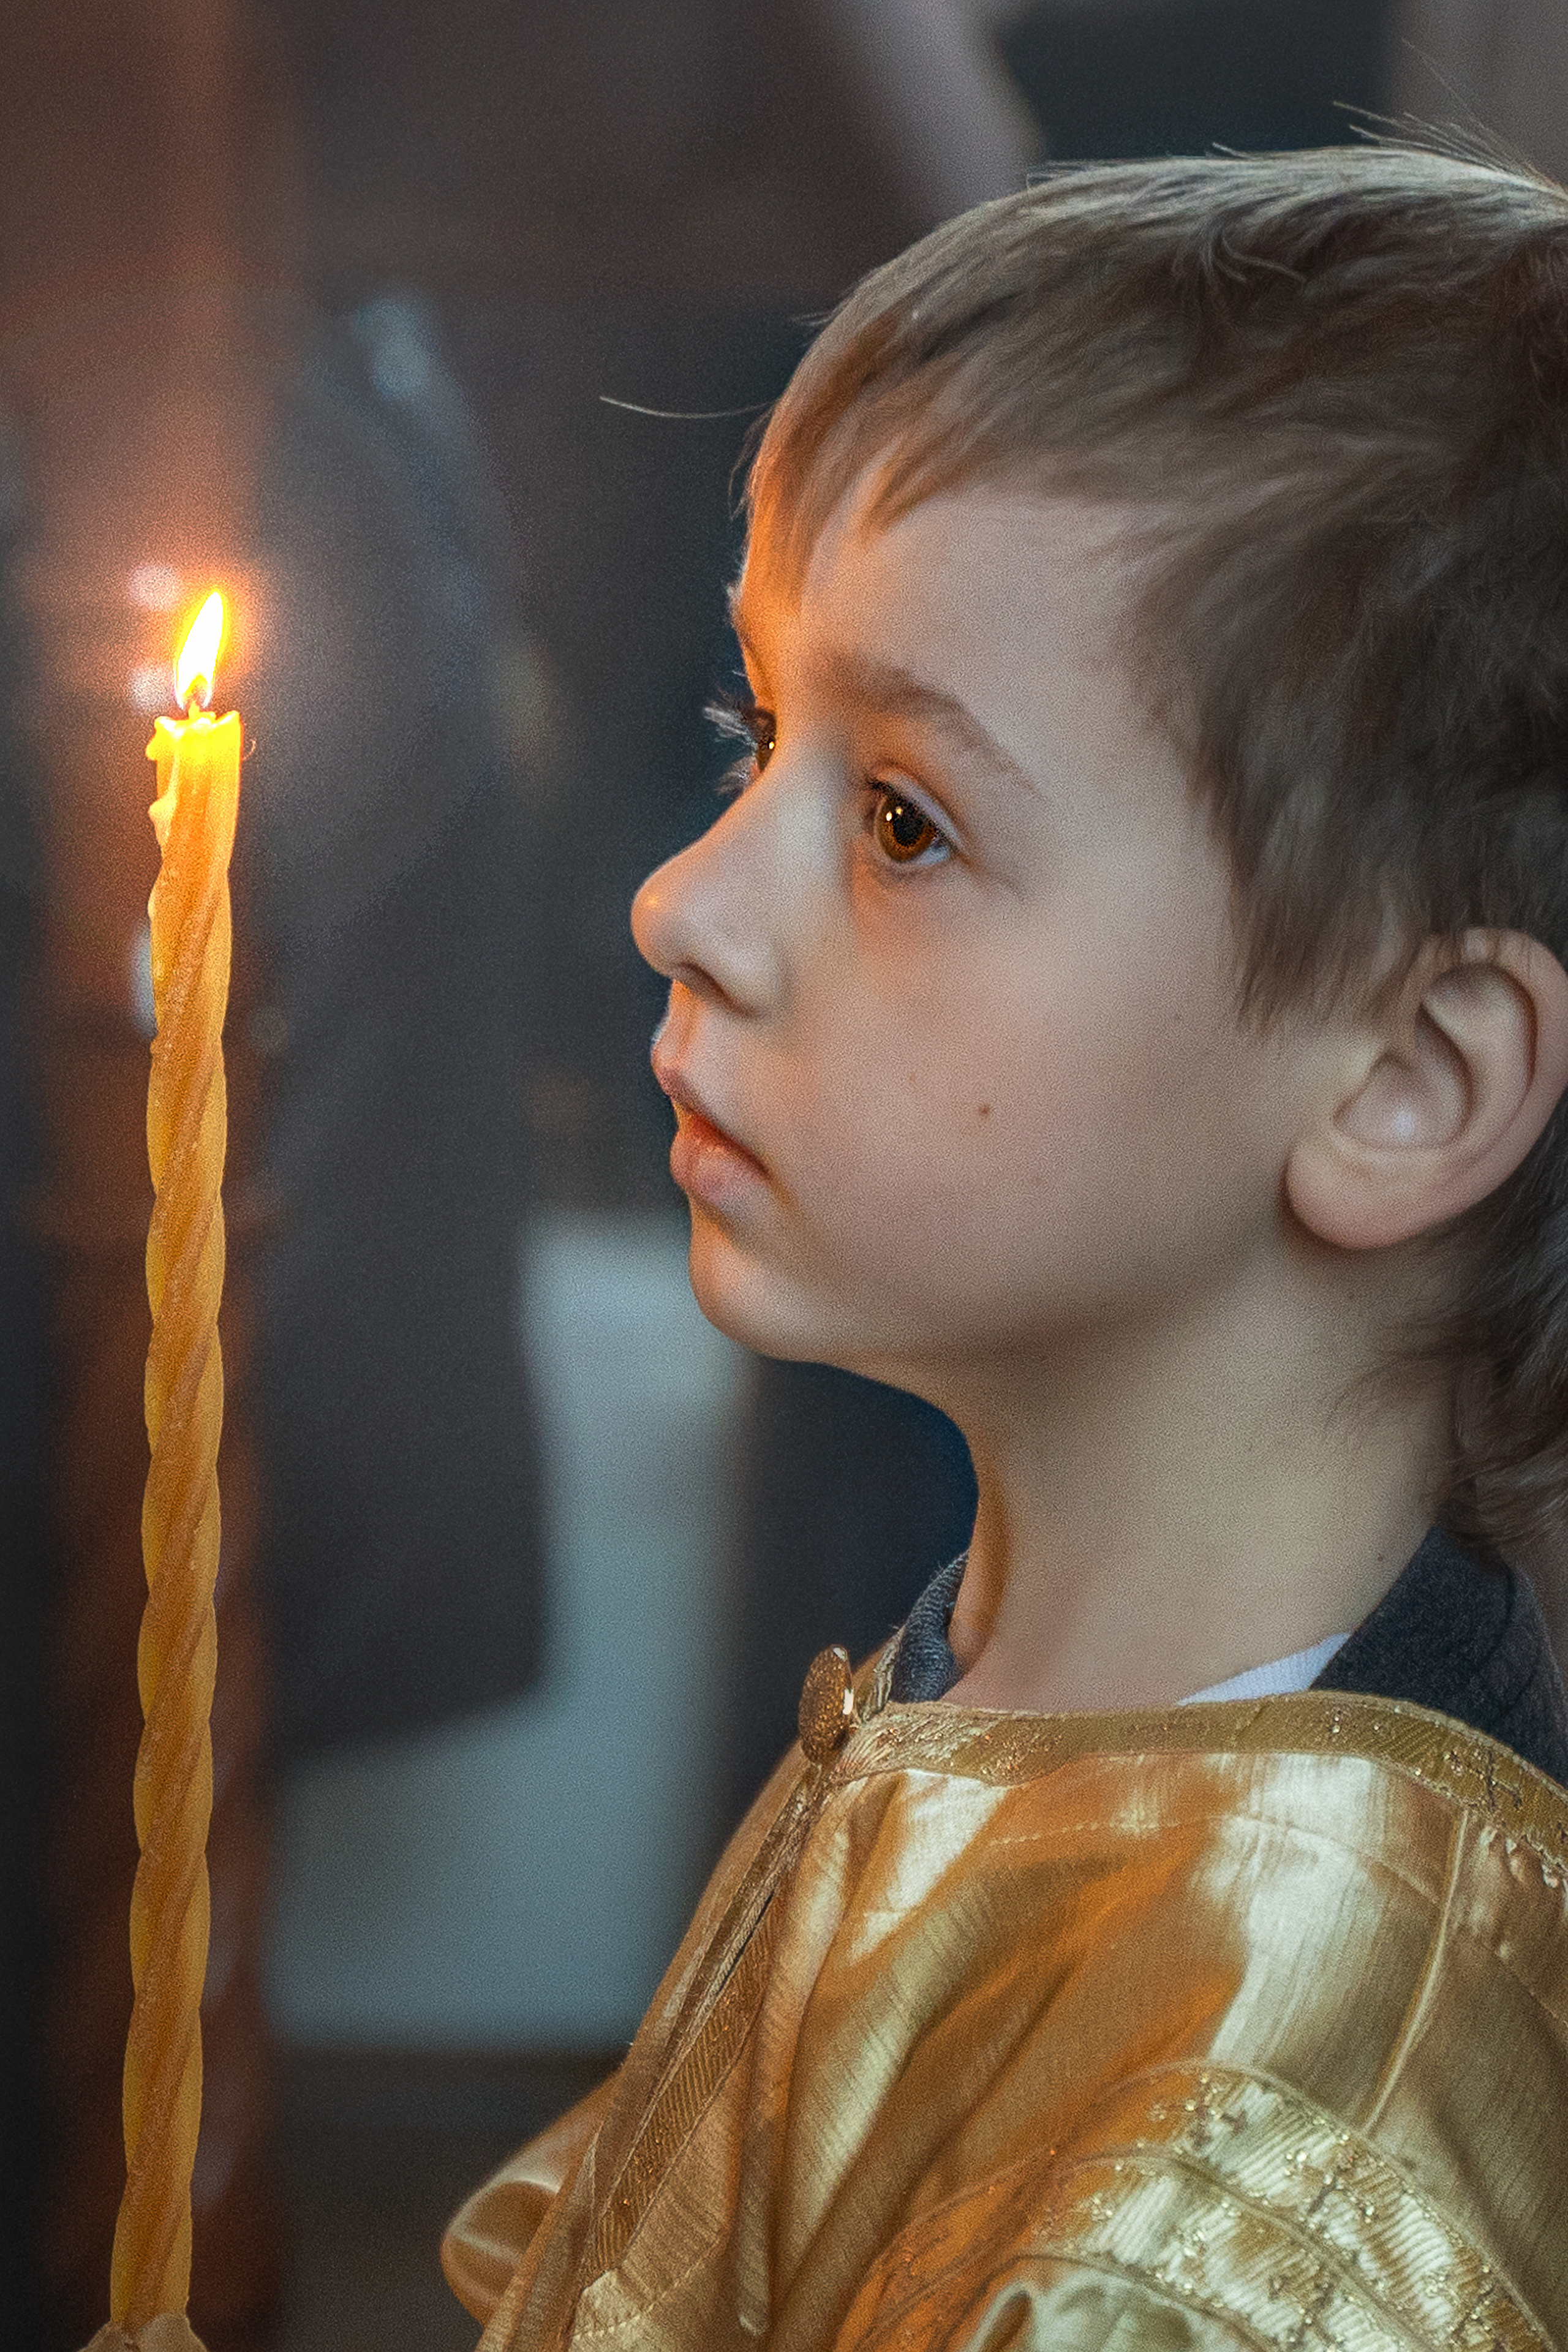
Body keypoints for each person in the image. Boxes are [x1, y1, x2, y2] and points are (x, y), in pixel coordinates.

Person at [443, 148, 1568, 2351]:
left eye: (903, 821)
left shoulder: (1238, 2213)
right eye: (756, 731)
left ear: (1406, 1077)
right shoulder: (1015, 1714)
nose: (684, 902)